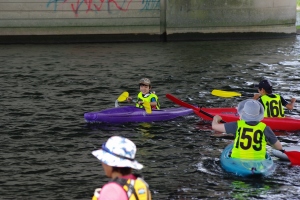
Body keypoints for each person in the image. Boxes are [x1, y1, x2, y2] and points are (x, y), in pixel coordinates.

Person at [212, 99, 284, 159]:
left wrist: (216, 118)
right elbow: (279, 147)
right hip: (258, 162)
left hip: (238, 160)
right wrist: (270, 143)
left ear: (243, 113)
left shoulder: (236, 125)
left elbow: (214, 126)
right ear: (259, 114)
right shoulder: (265, 128)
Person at [91, 136, 151, 200]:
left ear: (110, 163)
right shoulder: (140, 184)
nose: (103, 163)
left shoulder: (111, 190)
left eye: (103, 160)